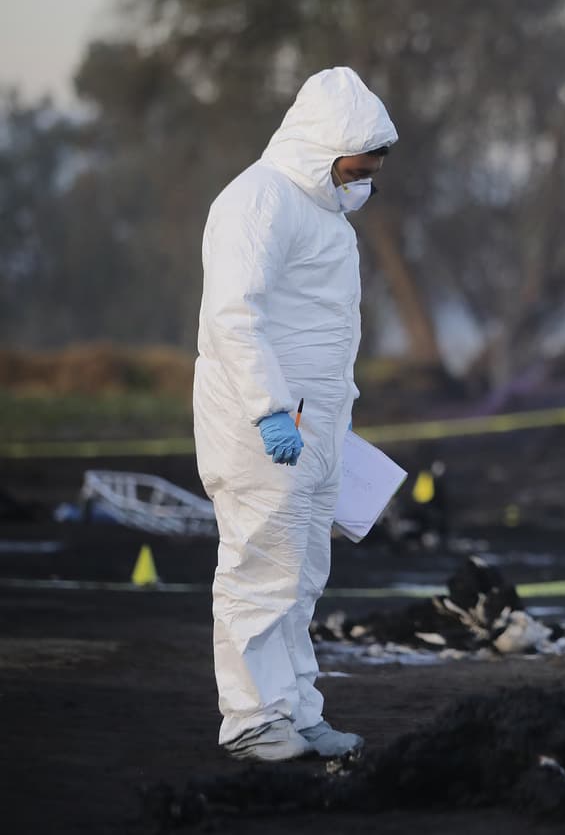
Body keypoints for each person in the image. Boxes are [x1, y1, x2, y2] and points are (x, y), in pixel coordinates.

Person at [193, 67, 398, 761]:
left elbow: (324, 331)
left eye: (372, 166)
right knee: (258, 570)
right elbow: (234, 315)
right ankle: (251, 719)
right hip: (265, 429)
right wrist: (269, 410)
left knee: (301, 576)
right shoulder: (258, 201)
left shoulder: (326, 214)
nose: (365, 176)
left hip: (316, 426)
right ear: (322, 147)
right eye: (357, 163)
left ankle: (296, 709)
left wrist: (334, 419)